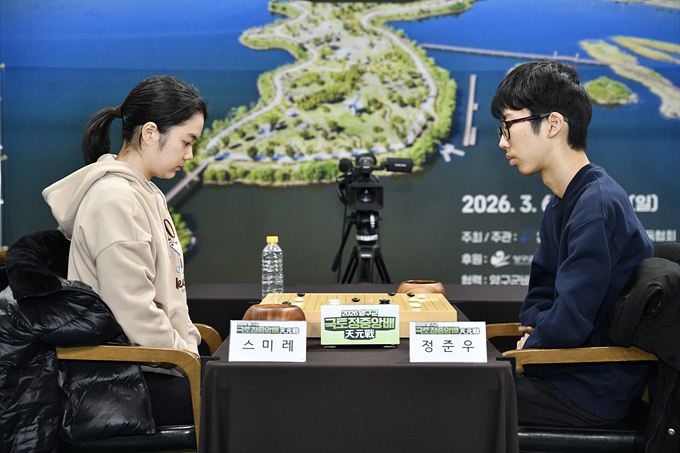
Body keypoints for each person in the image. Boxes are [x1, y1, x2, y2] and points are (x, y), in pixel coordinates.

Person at [490, 60, 653, 426]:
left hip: (589, 389)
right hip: (563, 370)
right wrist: (535, 334)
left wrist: (531, 349)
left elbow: (571, 319)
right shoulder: (564, 200)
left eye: (509, 125)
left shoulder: (596, 206)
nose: (503, 141)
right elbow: (542, 291)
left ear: (553, 124)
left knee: (463, 394)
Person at [43, 75, 208, 426]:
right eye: (186, 142)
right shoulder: (116, 199)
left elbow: (166, 303)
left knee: (240, 382)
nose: (189, 155)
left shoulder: (146, 192)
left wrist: (191, 347)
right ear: (150, 133)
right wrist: (188, 356)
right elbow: (135, 313)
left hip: (155, 363)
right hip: (121, 382)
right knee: (243, 397)